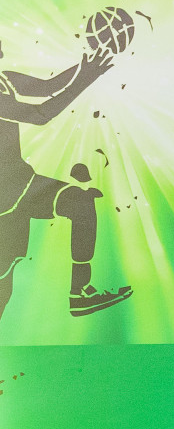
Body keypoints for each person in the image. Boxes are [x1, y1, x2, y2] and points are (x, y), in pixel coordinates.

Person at [0, 43, 131, 318]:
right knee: (4, 289)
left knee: (81, 201)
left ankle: (80, 293)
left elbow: (49, 87)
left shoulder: (6, 79)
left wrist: (87, 65)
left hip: (21, 185)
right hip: (5, 201)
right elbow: (39, 115)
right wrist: (84, 79)